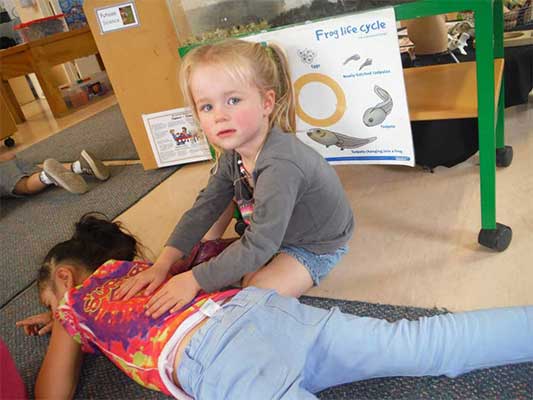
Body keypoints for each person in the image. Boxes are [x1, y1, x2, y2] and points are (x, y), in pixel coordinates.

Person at [17, 215, 533, 399]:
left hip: (215, 357)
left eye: (49, 301)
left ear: (65, 278)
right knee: (420, 343)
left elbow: (51, 393)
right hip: (258, 312)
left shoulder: (75, 307)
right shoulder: (147, 274)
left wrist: (63, 322)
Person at [114, 39, 355, 317]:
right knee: (218, 207)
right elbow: (204, 208)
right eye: (207, 107)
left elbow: (261, 243)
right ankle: (227, 257)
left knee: (253, 295)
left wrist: (195, 279)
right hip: (273, 229)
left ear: (266, 103)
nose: (220, 116)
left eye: (233, 100)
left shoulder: (282, 165)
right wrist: (162, 265)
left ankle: (240, 263)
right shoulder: (234, 153)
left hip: (313, 244)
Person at [0, 149, 110, 197]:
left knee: (25, 185)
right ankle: (79, 166)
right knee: (38, 171)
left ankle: (46, 177)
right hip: (10, 161)